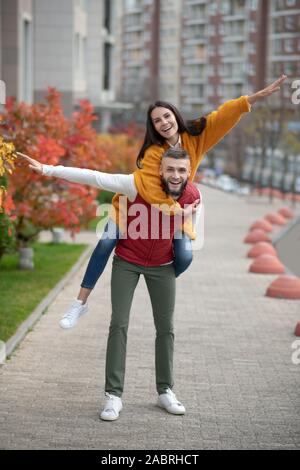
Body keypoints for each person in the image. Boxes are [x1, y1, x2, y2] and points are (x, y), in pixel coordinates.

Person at [54, 75, 287, 330]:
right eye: (157, 121)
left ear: (175, 115)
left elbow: (221, 116)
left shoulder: (194, 137)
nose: (164, 122)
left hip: (171, 214)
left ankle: (156, 278)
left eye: (166, 116)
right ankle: (80, 303)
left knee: (185, 257)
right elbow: (155, 195)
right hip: (135, 209)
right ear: (153, 127)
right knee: (106, 242)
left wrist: (251, 99)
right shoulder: (154, 154)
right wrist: (183, 211)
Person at [20, 147, 201, 420]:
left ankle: (166, 390)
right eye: (170, 169)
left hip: (163, 266)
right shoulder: (135, 185)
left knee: (166, 328)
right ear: (161, 170)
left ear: (189, 172)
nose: (175, 175)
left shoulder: (194, 196)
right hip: (127, 261)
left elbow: (187, 237)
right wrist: (47, 169)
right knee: (119, 324)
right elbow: (93, 177)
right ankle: (113, 396)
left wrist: (184, 220)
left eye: (181, 170)